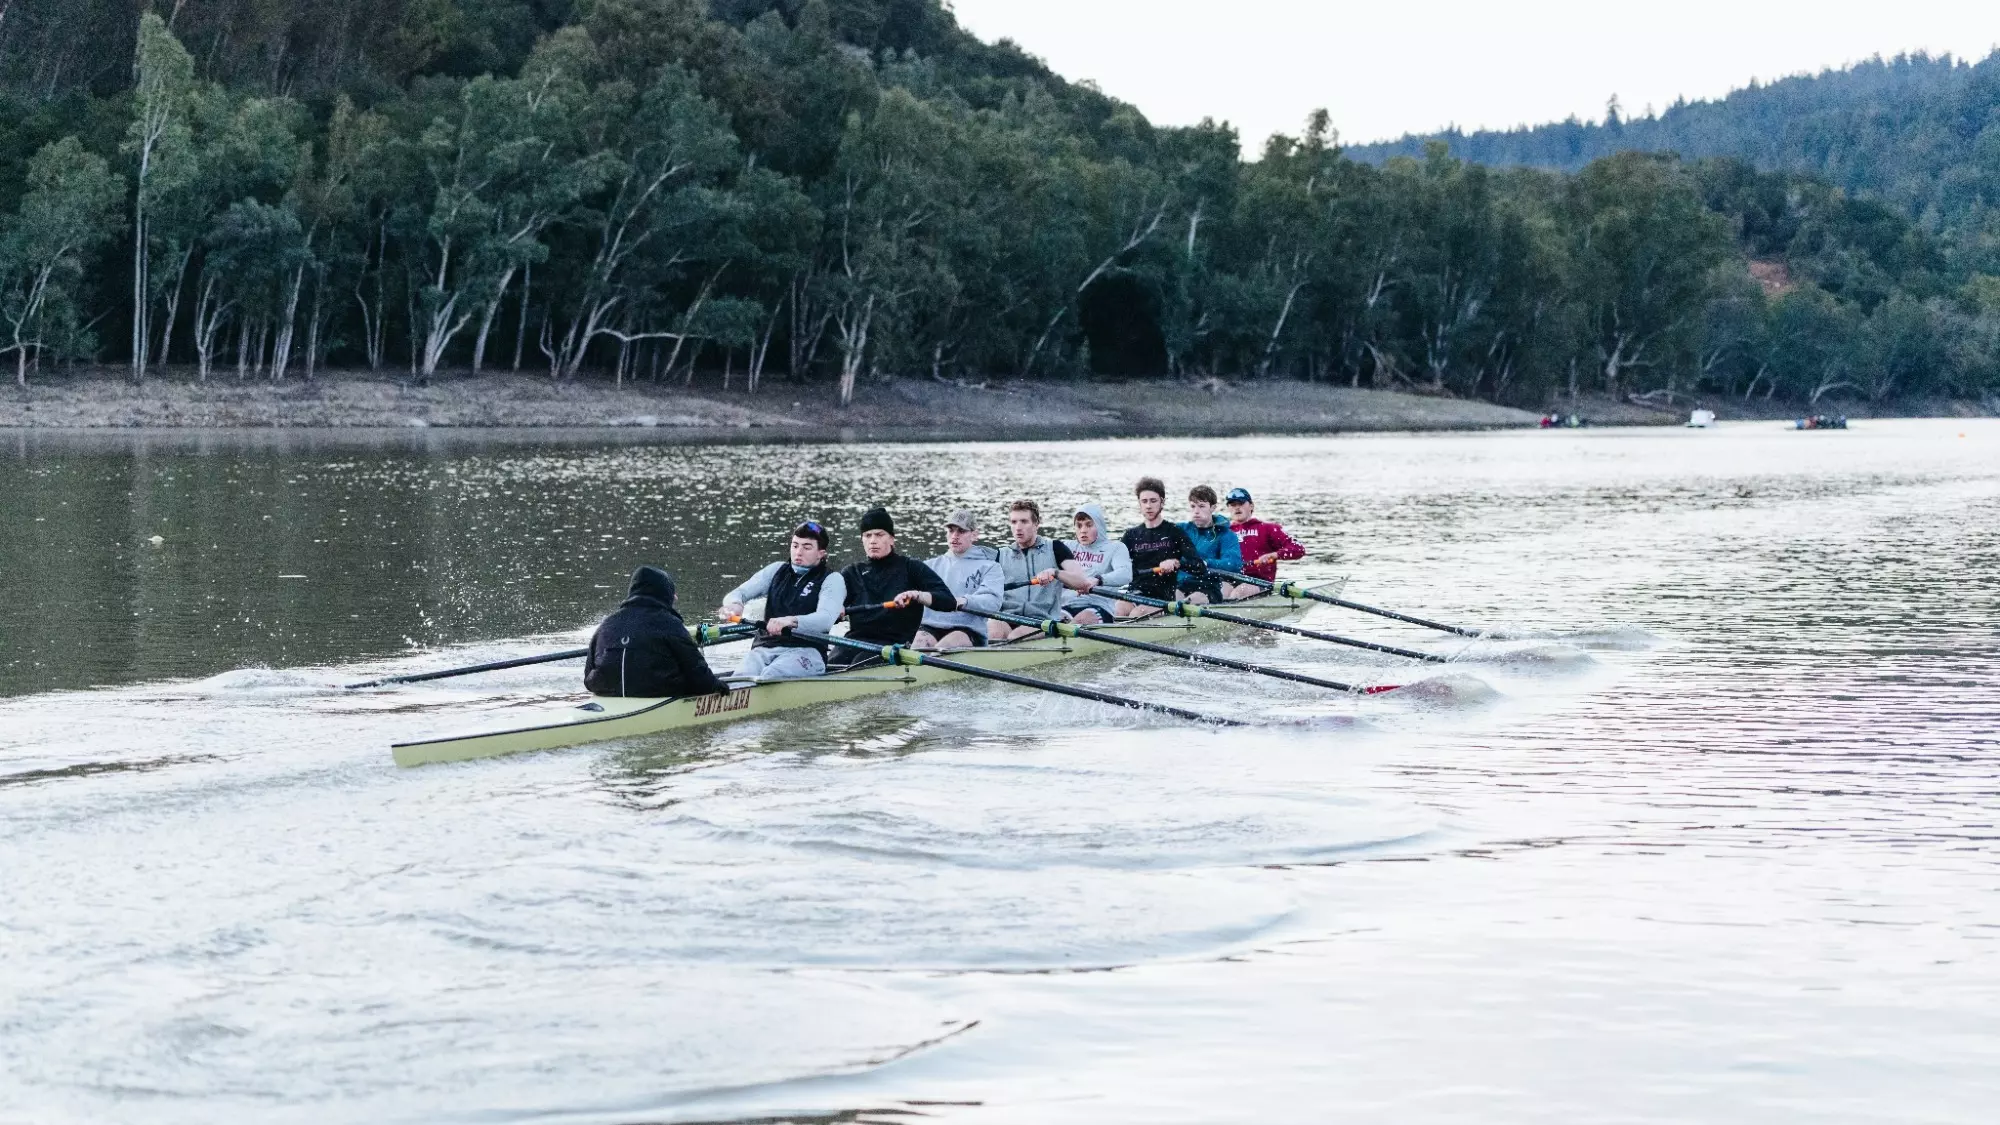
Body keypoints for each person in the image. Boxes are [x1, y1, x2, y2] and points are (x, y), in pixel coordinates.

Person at [718, 520, 846, 681]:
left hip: (806, 651)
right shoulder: (776, 570)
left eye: (807, 547)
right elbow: (739, 592)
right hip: (764, 648)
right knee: (740, 678)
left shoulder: (832, 579)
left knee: (771, 676)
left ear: (821, 553)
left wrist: (791, 621)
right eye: (795, 545)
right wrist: (734, 604)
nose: (798, 552)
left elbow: (826, 619)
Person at [835, 506, 959, 667]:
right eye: (867, 535)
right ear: (862, 539)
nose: (873, 540)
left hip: (894, 646)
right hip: (855, 641)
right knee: (831, 662)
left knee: (859, 663)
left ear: (892, 539)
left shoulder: (911, 568)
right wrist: (833, 610)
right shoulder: (852, 573)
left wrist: (917, 595)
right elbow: (824, 610)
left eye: (879, 535)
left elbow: (949, 602)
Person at [584, 565, 731, 698]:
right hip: (654, 692)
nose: (676, 598)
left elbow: (587, 675)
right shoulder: (670, 624)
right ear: (664, 593)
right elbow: (699, 676)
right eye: (672, 593)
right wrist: (717, 685)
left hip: (605, 691)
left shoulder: (606, 624)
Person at [989, 499, 1086, 642]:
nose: (1018, 527)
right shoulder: (1001, 554)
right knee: (992, 632)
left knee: (1015, 637)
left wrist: (1055, 572)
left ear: (1036, 524)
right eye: (1014, 522)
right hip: (1007, 617)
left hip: (1042, 621)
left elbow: (1082, 582)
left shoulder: (1056, 548)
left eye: (1024, 521)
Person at [915, 509, 1003, 650]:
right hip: (931, 626)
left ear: (974, 535)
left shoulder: (990, 567)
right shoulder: (929, 566)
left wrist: (964, 601)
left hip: (967, 631)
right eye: (951, 530)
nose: (955, 536)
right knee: (918, 643)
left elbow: (993, 601)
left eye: (961, 531)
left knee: (944, 647)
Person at [1117, 476, 1205, 617]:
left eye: (1153, 501)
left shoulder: (1175, 532)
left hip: (1162, 597)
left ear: (1162, 502)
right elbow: (1117, 568)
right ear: (1139, 503)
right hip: (1135, 593)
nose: (1148, 506)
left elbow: (1199, 566)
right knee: (1117, 610)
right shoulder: (1130, 535)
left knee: (1137, 614)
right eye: (1144, 501)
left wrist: (1176, 563)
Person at [1222, 487, 1305, 600]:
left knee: (1237, 594)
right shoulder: (1223, 532)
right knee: (1219, 592)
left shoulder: (1268, 529)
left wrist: (1274, 555)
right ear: (1228, 508)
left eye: (1240, 503)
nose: (1237, 507)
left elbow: (1298, 549)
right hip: (1230, 578)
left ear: (1251, 506)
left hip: (1258, 581)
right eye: (1232, 504)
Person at [1059, 504, 1132, 625]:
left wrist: (1098, 580)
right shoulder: (1067, 546)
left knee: (1079, 621)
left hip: (1100, 607)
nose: (1083, 530)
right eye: (1079, 525)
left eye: (1089, 525)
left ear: (1099, 526)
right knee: (1051, 620)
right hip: (1067, 606)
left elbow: (1125, 574)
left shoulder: (1115, 548)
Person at [1177, 485, 1243, 605]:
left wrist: (1206, 563)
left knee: (1187, 602)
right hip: (1181, 583)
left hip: (1209, 586)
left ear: (1212, 507)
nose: (1196, 511)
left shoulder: (1226, 535)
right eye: (1193, 506)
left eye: (1201, 506)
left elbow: (1234, 564)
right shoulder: (1181, 530)